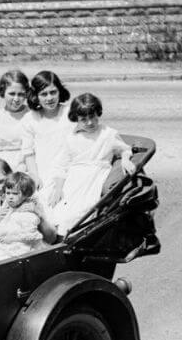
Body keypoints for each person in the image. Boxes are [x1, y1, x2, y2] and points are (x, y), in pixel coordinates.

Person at [46, 93, 136, 234]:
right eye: (83, 119)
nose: (89, 123)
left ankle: (70, 237)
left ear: (97, 113)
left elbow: (125, 149)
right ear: (76, 119)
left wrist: (125, 159)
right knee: (54, 209)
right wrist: (58, 188)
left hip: (94, 177)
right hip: (74, 178)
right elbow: (61, 165)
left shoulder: (108, 134)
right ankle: (54, 238)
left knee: (79, 212)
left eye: (92, 117)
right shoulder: (71, 137)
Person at [22, 70, 72, 191]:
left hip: (69, 169)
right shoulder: (30, 119)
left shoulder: (70, 113)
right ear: (36, 96)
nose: (49, 98)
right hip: (43, 172)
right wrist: (34, 176)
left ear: (60, 91)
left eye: (53, 92)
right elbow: (29, 153)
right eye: (44, 94)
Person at [0, 171, 47, 257]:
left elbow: (33, 236)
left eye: (15, 193)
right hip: (10, 240)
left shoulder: (28, 213)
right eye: (8, 193)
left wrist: (12, 239)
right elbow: (2, 214)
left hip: (23, 247)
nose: (10, 196)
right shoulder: (11, 204)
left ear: (25, 195)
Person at [0, 69, 31, 173]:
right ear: (3, 93)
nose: (16, 99)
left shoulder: (32, 116)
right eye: (12, 94)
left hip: (25, 170)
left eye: (21, 94)